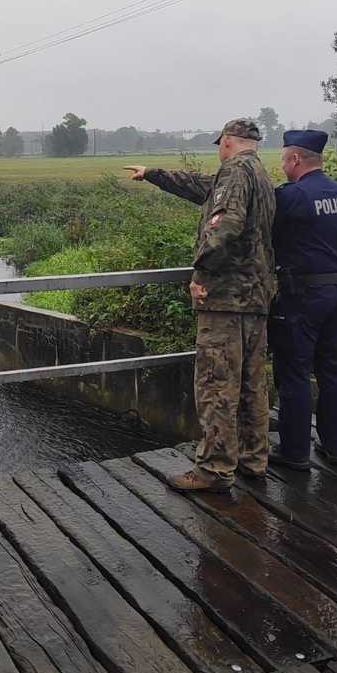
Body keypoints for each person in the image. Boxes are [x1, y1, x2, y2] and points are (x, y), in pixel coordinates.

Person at [125, 119, 276, 493]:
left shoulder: (234, 172)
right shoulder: (258, 173)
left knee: (217, 383)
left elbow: (225, 224)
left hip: (225, 298)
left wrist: (201, 274)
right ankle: (253, 459)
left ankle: (214, 468)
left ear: (227, 142)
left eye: (219, 144)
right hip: (255, 297)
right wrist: (154, 174)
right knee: (252, 384)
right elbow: (203, 188)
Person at [268, 129, 337, 470]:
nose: (282, 166)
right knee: (334, 369)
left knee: (295, 371)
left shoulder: (292, 196)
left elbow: (266, 230)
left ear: (295, 159)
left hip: (304, 295)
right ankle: (336, 447)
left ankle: (294, 452)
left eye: (283, 159)